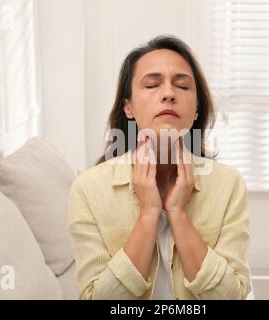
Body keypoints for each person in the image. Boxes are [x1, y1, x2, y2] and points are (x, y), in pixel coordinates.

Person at [68, 35, 251, 300]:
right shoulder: (87, 189)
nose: (168, 94)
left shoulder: (229, 185)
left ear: (197, 109)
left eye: (182, 86)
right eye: (152, 84)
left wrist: (178, 213)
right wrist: (148, 213)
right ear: (128, 107)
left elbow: (232, 296)